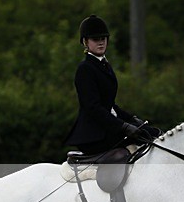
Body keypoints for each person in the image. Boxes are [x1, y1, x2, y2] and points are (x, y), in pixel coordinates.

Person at [64, 15, 157, 156]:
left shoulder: (105, 65)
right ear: (85, 42)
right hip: (94, 134)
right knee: (143, 136)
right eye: (96, 39)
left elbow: (110, 105)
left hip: (107, 127)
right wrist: (123, 126)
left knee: (154, 133)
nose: (101, 42)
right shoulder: (85, 69)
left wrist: (131, 119)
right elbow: (93, 108)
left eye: (103, 38)